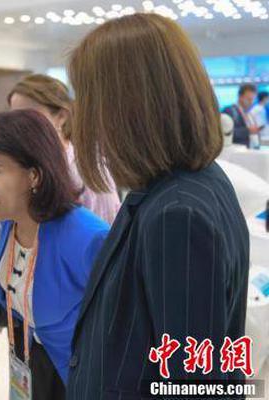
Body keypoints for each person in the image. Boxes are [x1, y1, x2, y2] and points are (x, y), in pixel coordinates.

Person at [65, 14, 249, 399]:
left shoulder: (176, 213)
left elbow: (195, 385)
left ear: (125, 106)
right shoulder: (188, 183)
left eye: (89, 98)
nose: (83, 116)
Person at [0, 109, 108, 399]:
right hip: (32, 363)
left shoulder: (87, 237)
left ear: (34, 175)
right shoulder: (11, 222)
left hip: (78, 379)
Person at [8, 74, 121, 224]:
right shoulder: (16, 164)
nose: (19, 125)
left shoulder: (89, 168)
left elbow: (108, 226)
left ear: (61, 117)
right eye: (14, 116)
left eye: (30, 115)